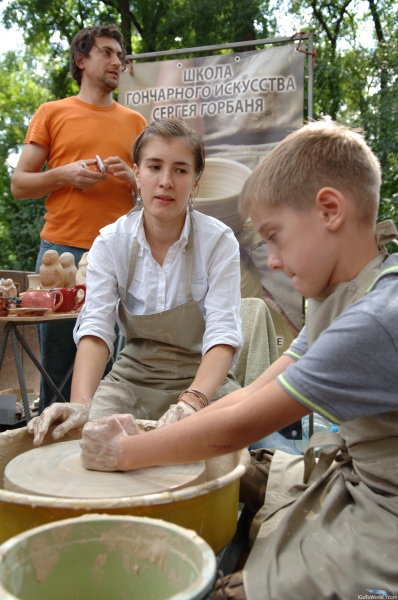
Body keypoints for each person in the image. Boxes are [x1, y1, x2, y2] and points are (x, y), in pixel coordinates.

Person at [79, 121, 398, 599]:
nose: (269, 260)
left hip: (384, 514)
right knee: (246, 473)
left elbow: (236, 427)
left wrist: (128, 451)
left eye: (274, 236)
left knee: (227, 580)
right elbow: (253, 392)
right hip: (137, 378)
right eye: (154, 167)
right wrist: (94, 413)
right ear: (140, 175)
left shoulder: (374, 318)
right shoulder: (352, 296)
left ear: (330, 210)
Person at [28, 118, 243, 445]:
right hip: (130, 383)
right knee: (85, 444)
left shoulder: (219, 241)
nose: (166, 181)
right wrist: (80, 404)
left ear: (196, 181)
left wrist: (193, 400)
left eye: (181, 170)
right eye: (155, 167)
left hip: (201, 381)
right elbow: (97, 327)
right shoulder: (110, 242)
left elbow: (223, 331)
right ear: (137, 173)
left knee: (253, 453)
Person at [11, 25, 146, 412]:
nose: (117, 61)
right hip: (61, 254)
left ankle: (104, 436)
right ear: (81, 60)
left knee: (116, 359)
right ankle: (52, 443)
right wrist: (63, 175)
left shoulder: (136, 122)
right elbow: (20, 184)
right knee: (55, 363)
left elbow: (153, 190)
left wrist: (133, 179)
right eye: (107, 52)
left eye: (120, 55)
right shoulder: (52, 113)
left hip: (120, 251)